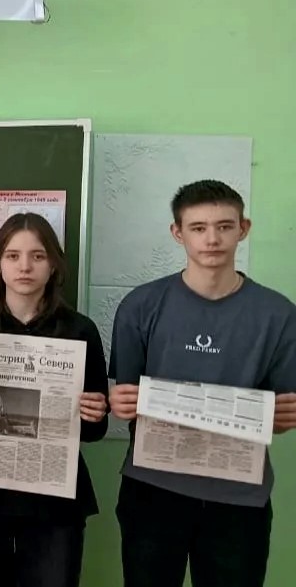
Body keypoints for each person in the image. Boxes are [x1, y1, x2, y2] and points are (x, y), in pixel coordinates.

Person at [108, 180, 296, 587]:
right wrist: (119, 403)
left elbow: (282, 414)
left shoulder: (279, 314)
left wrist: (283, 418)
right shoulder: (140, 306)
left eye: (224, 226)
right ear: (178, 233)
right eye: (198, 228)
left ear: (243, 228)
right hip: (153, 490)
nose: (212, 239)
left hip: (239, 497)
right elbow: (125, 400)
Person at [0, 213, 109, 587]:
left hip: (54, 504)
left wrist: (94, 413)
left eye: (38, 256)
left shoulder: (80, 330)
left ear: (53, 265)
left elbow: (95, 431)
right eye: (13, 256)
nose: (25, 266)